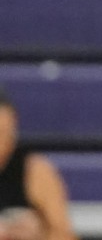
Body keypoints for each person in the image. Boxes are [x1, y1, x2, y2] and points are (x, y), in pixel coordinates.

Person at [0, 88, 75, 240]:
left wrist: (40, 234)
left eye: (6, 133)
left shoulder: (35, 171)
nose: (3, 144)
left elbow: (64, 234)